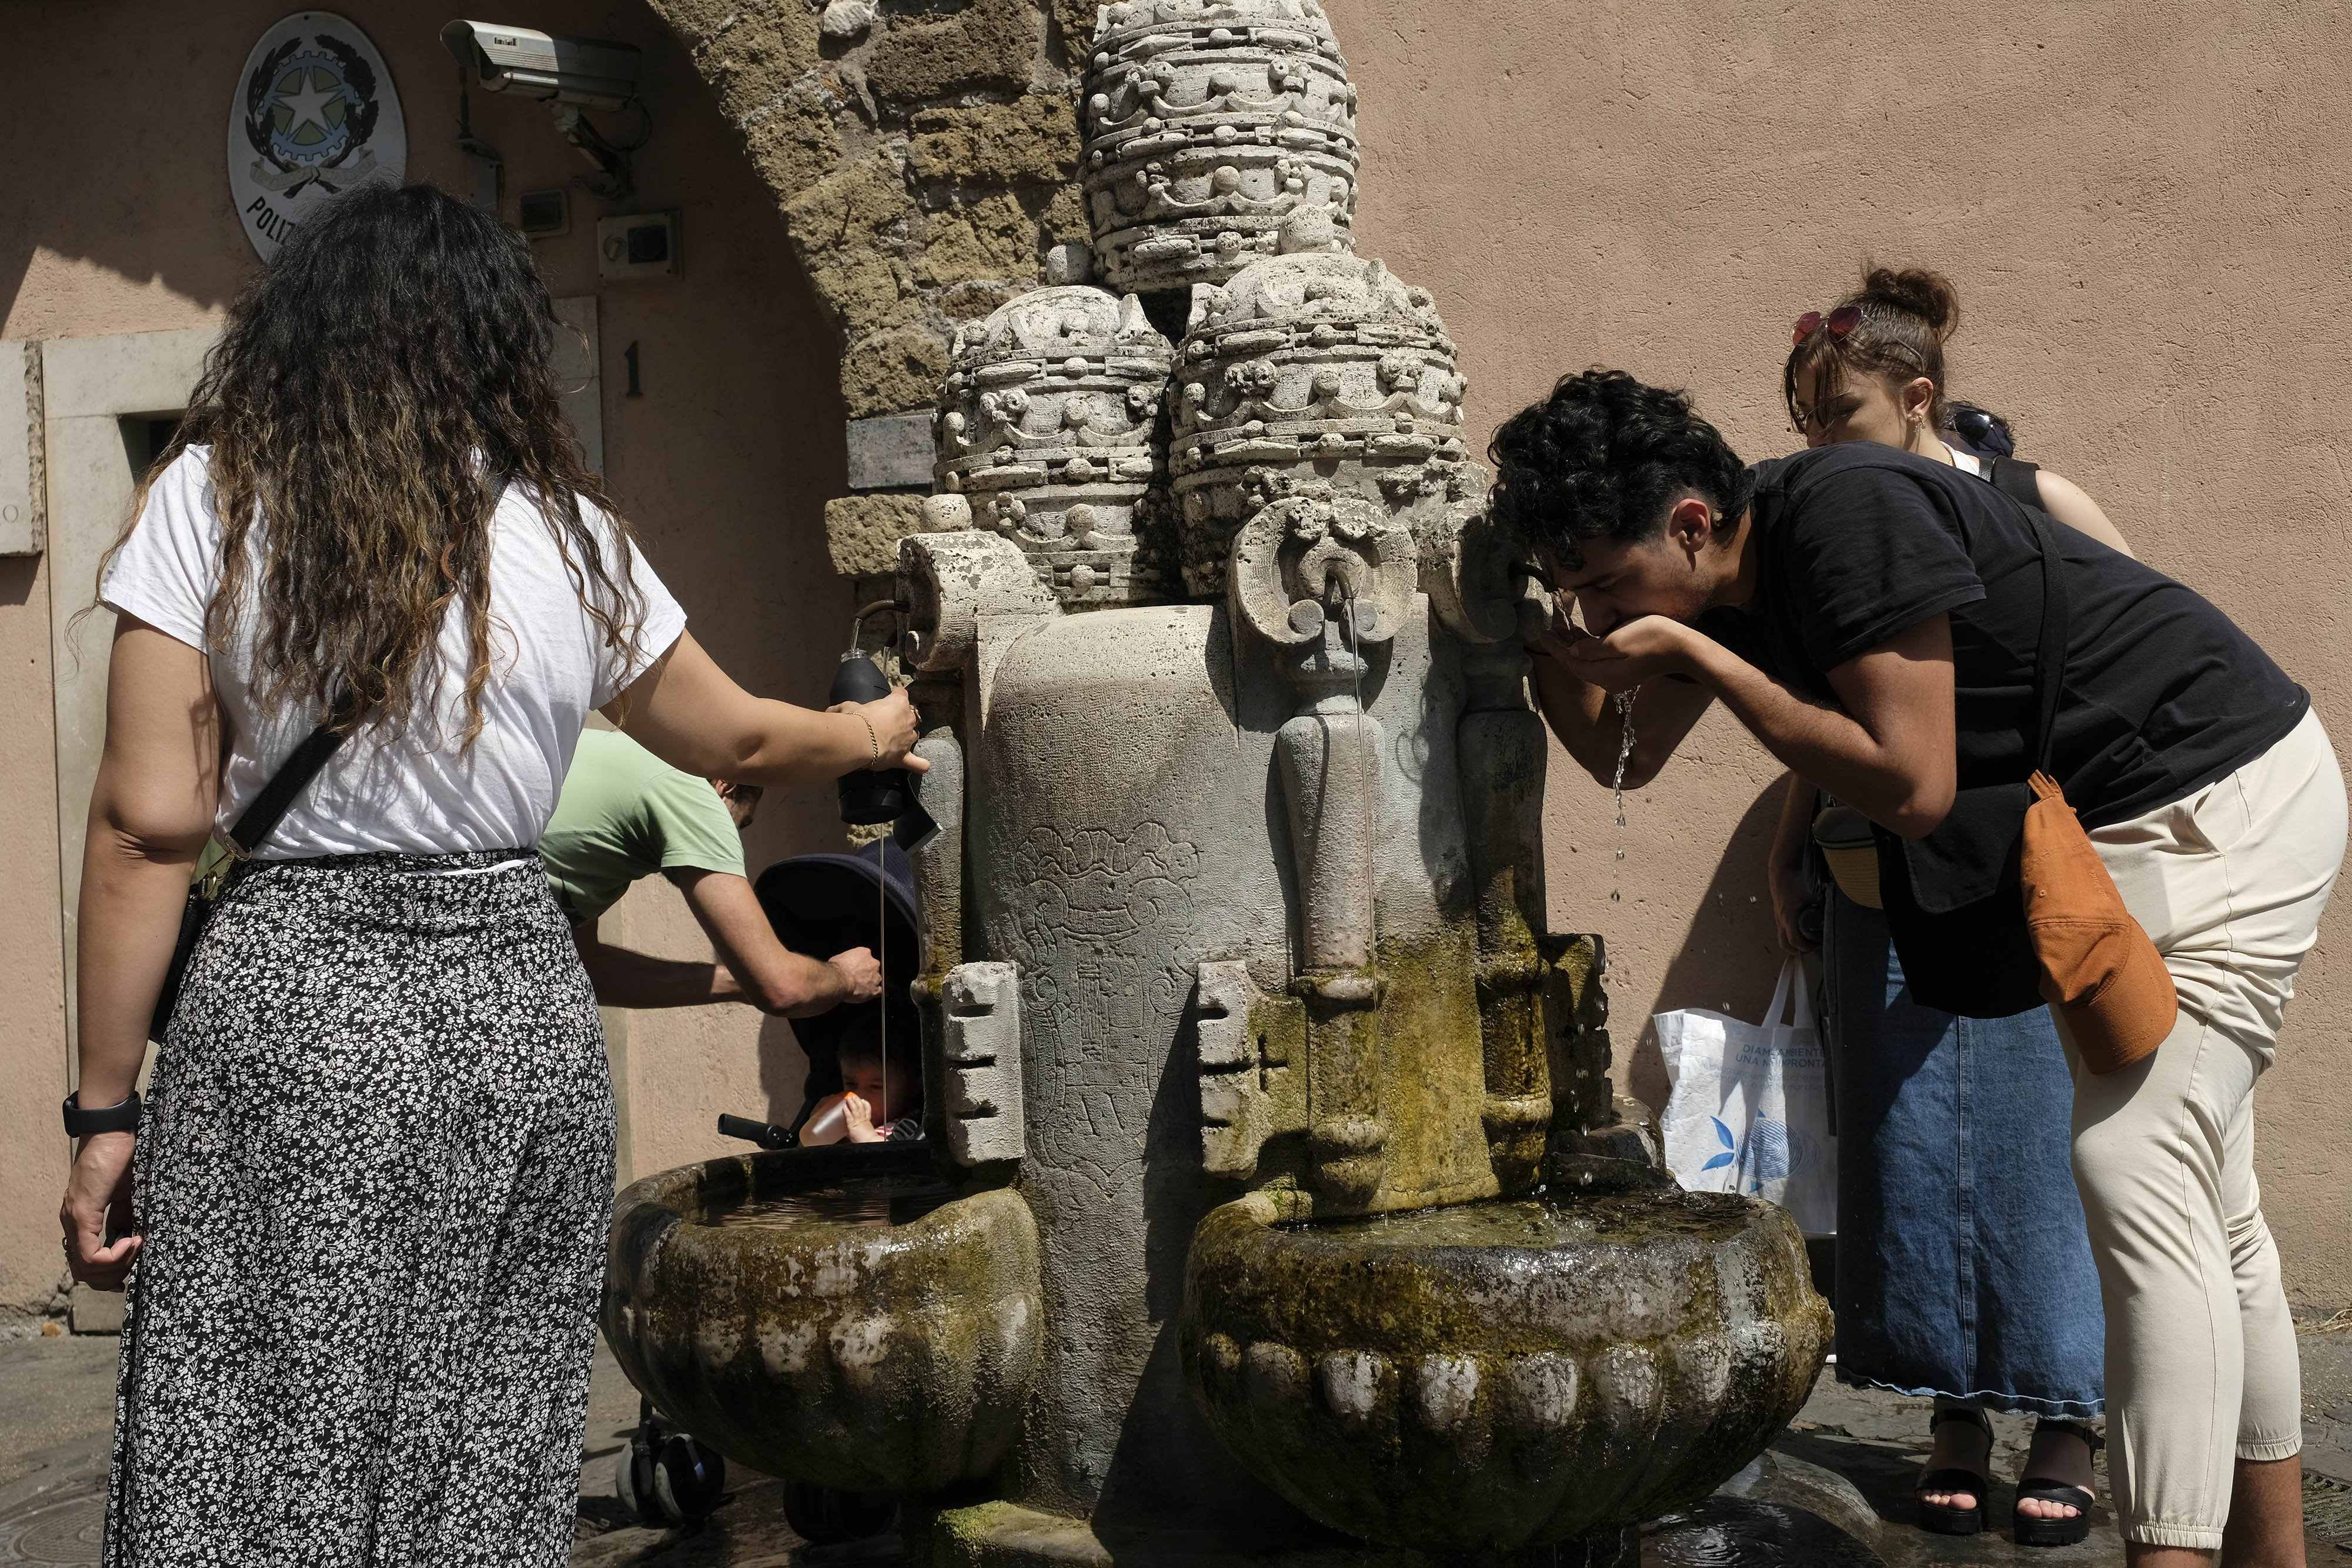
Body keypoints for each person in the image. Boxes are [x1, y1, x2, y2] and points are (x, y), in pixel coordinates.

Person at [56, 182, 926, 1568]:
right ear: (492, 348)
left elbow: (147, 827)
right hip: (511, 1005)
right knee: (484, 1427)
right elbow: (741, 734)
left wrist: (102, 1110)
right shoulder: (568, 537)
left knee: (256, 1419)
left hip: (291, 1003)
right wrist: (871, 732)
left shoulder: (206, 502)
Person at [1495, 367, 2339, 1567]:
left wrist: (1707, 657)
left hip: (2219, 794)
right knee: (2213, 1201)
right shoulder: (1708, 582)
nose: (1596, 610)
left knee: (2131, 1159)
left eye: (1602, 582)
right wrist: (1525, 641)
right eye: (1573, 590)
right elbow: (1614, 758)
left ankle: (2170, 1549)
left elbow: (1910, 780)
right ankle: (2272, 1553)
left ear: (1686, 522)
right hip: (2125, 826)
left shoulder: (1844, 515)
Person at [1766, 268, 2119, 1544]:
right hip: (1874, 878)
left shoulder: (2033, 503)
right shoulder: (1826, 520)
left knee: (2035, 1152)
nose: (1815, 445)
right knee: (1906, 1151)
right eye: (1804, 418)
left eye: (1840, 414)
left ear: (1915, 397)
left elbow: (2127, 659)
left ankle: (2067, 1418)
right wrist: (1790, 842)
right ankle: (1953, 1414)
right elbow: (1832, 702)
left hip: (2016, 882)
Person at [543, 727, 882, 1014]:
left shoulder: (623, 760)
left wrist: (742, 981)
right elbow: (783, 988)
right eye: (740, 823)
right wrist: (845, 977)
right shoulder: (689, 792)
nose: (734, 839)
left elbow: (589, 970)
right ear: (726, 787)